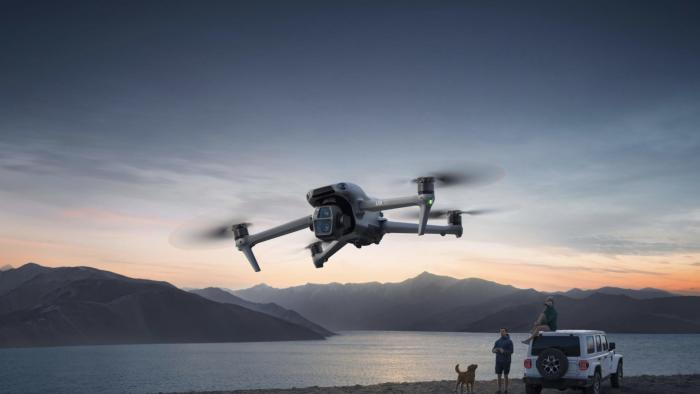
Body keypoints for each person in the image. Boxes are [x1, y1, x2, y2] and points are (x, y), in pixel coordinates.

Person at [492, 327, 513, 394]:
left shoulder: (509, 341)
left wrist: (503, 351)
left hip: (506, 361)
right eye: (500, 331)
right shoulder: (497, 341)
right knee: (498, 375)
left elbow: (511, 351)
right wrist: (494, 350)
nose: (501, 333)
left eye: (503, 331)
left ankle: (506, 390)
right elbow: (493, 350)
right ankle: (499, 390)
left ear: (506, 332)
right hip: (498, 361)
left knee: (506, 375)